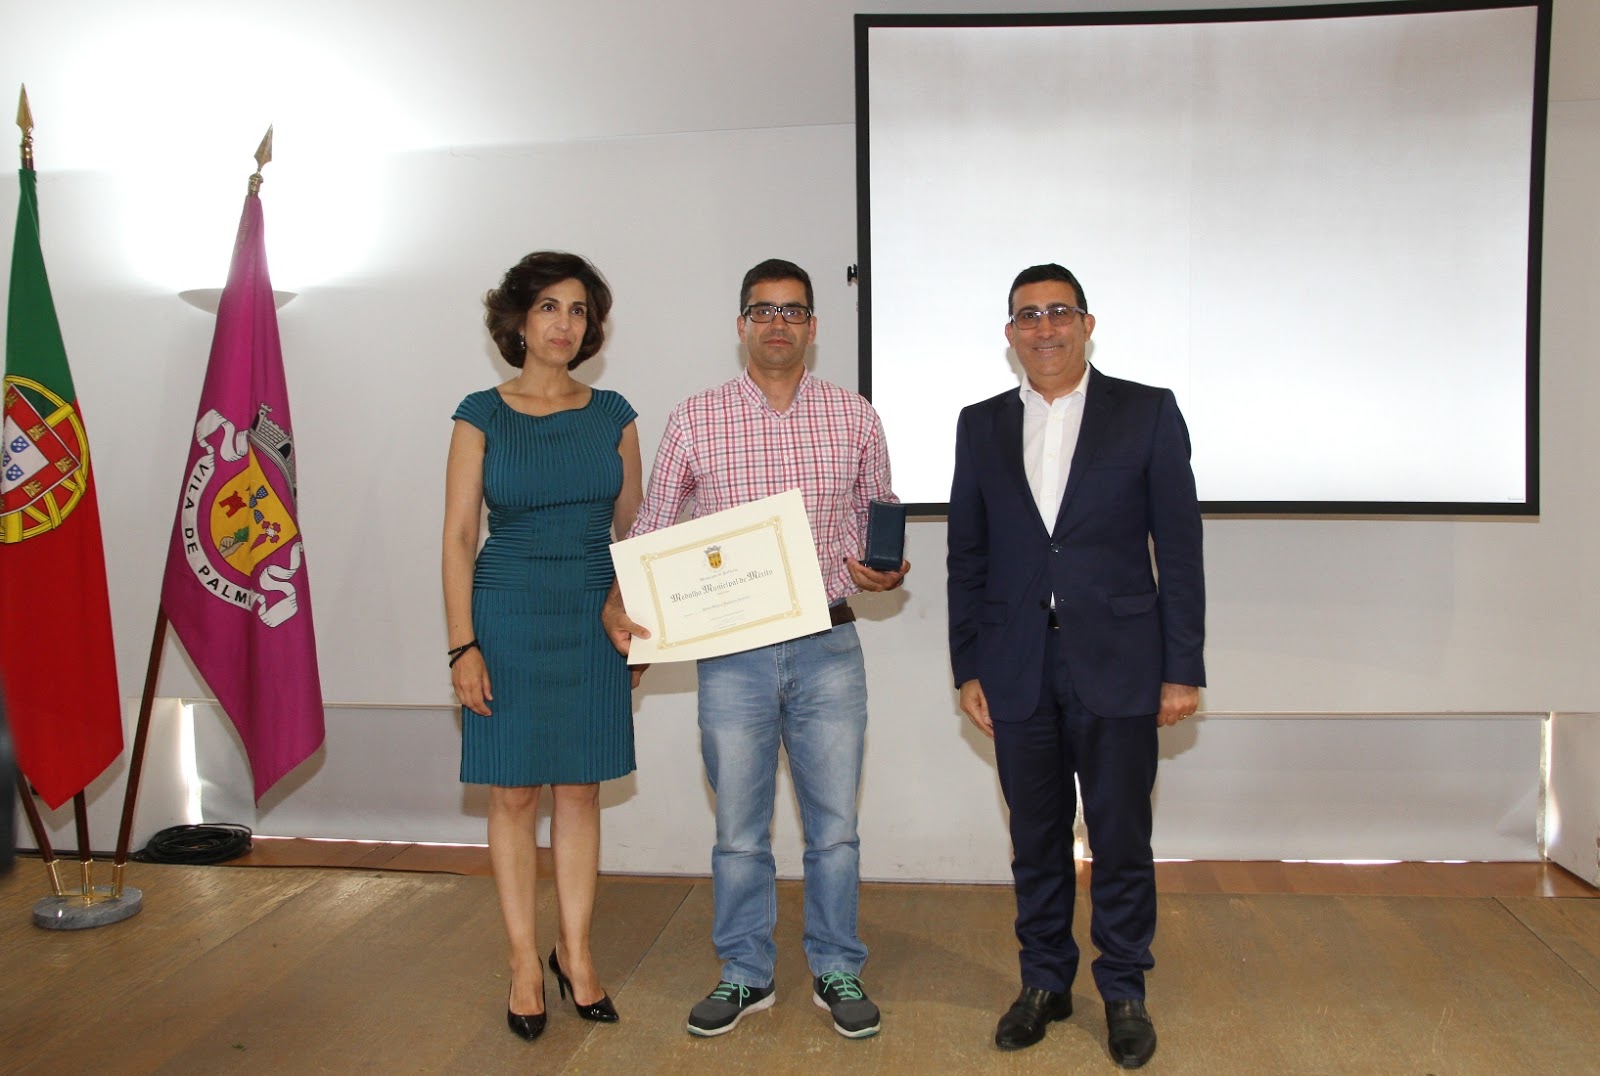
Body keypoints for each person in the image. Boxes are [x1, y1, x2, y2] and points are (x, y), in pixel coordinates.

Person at [602, 259, 908, 1041]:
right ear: (741, 324)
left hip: (828, 644)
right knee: (739, 831)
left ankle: (837, 965)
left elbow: (876, 514)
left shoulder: (854, 415)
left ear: (813, 326)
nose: (778, 323)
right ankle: (745, 972)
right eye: (763, 310)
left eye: (793, 311)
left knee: (834, 829)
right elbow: (655, 527)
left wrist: (882, 565)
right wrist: (623, 599)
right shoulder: (696, 418)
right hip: (732, 655)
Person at [946, 264, 1205, 1069]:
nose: (1044, 327)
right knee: (1035, 840)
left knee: (1121, 838)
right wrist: (968, 666)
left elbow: (1180, 548)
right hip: (1016, 665)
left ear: (1088, 325)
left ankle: (1123, 989)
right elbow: (967, 554)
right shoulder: (980, 424)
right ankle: (1045, 983)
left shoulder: (1147, 412)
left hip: (1122, 662)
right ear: (1010, 333)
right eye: (1028, 315)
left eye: (1059, 312)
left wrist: (1182, 667)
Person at [442, 251, 642, 1043]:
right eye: (549, 307)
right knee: (514, 796)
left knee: (581, 792)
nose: (565, 323)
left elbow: (636, 533)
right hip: (507, 615)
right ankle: (525, 962)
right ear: (519, 321)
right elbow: (459, 537)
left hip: (593, 615)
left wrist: (641, 619)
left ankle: (576, 954)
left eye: (579, 310)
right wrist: (462, 646)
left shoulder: (615, 413)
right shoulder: (480, 414)